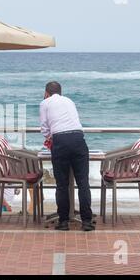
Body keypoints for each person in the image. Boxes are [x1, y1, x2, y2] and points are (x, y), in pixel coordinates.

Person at [39, 81, 94, 231]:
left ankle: (63, 222)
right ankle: (87, 221)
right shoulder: (69, 101)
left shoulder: (45, 103)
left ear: (46, 93)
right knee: (83, 183)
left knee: (62, 184)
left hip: (61, 142)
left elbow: (44, 128)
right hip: (78, 139)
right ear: (60, 92)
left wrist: (50, 138)